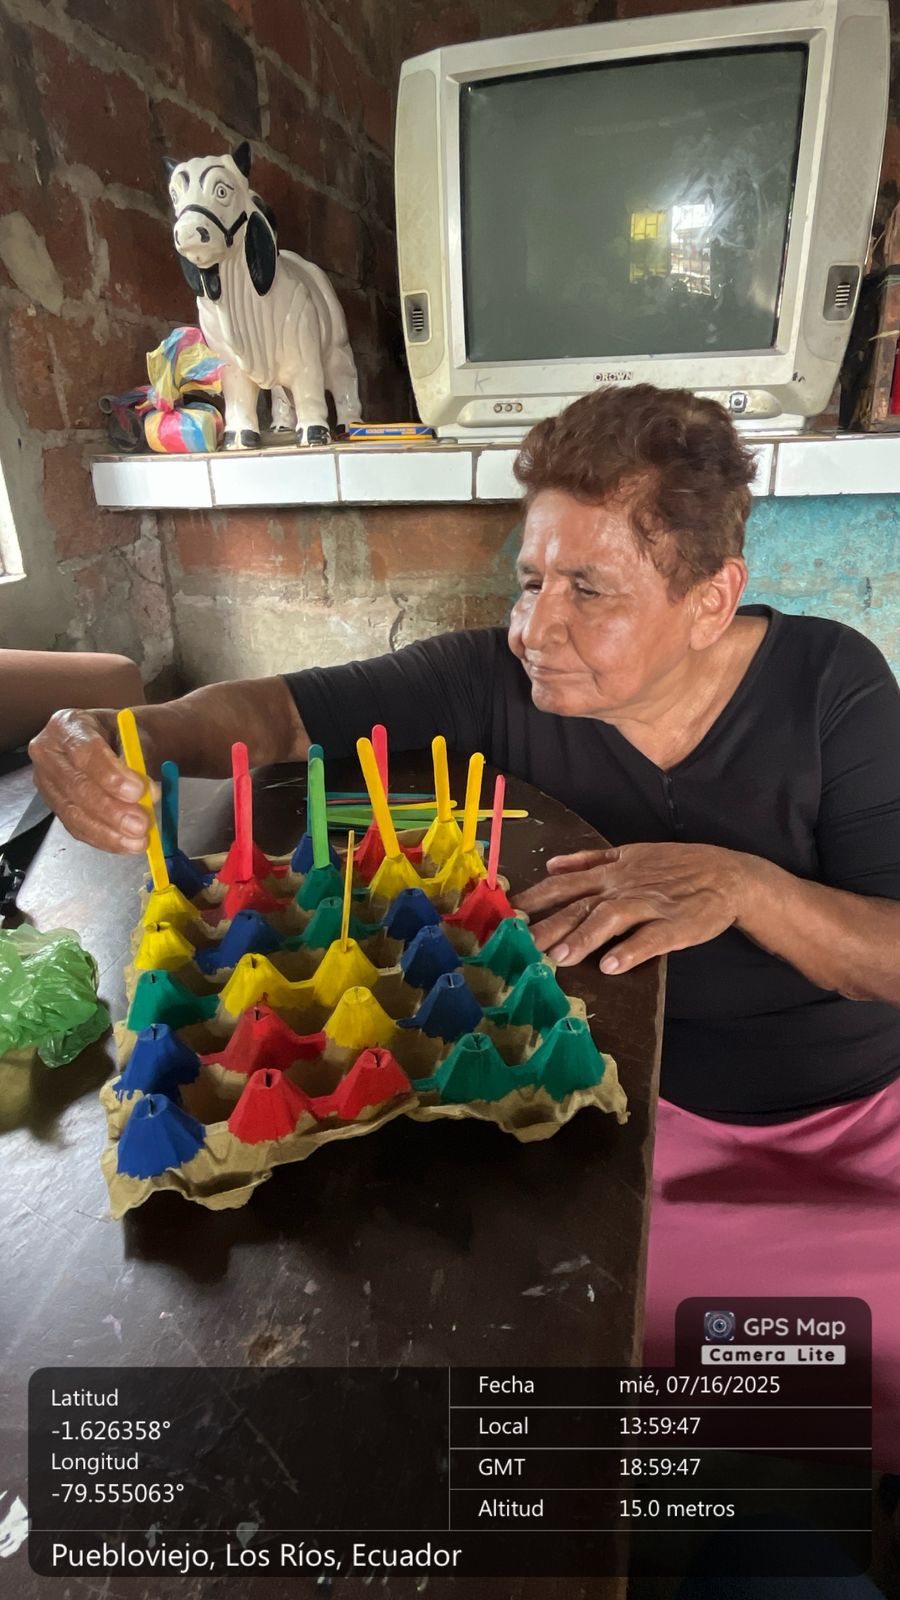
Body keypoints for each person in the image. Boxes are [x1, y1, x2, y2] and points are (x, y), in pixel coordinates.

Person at [29, 384, 900, 1472]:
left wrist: (749, 887)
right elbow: (275, 714)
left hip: (861, 1128)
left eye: (591, 589)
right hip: (650, 1128)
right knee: (562, 1333)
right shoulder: (497, 681)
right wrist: (116, 733)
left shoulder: (830, 687)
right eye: (532, 579)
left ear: (712, 598)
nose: (536, 627)